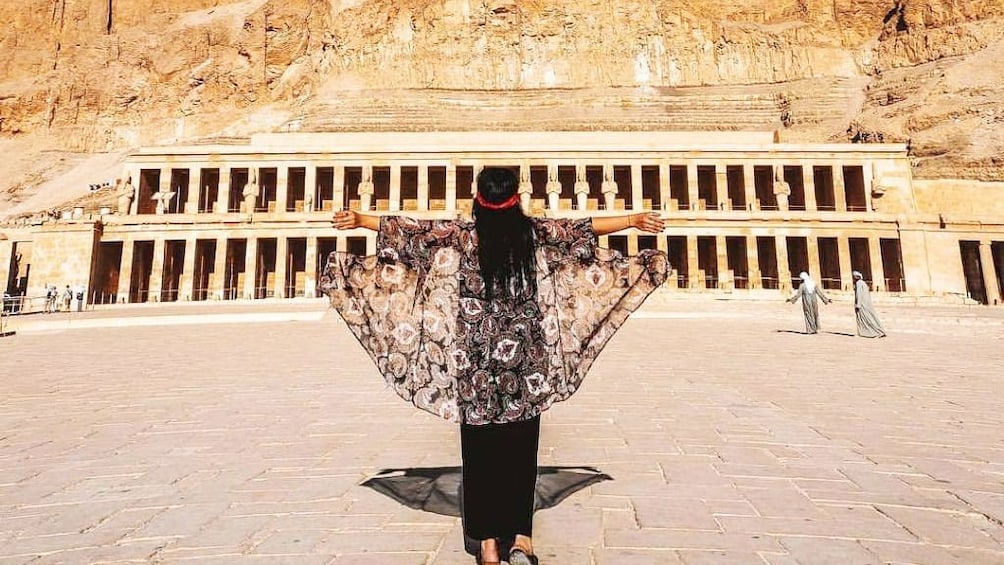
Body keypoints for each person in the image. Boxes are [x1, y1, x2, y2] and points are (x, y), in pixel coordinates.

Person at [322, 167, 668, 565]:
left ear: (477, 195)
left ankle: (487, 545)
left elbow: (408, 229)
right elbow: (583, 229)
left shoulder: (461, 236)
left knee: (480, 454)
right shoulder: (534, 233)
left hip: (475, 363)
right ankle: (522, 538)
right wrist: (634, 219)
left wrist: (361, 219)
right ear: (516, 197)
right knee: (521, 452)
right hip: (526, 362)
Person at [853, 271, 886, 338]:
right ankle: (879, 331)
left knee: (865, 319)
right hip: (867, 303)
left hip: (862, 304)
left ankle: (870, 333)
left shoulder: (858, 283)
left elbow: (859, 294)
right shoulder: (863, 283)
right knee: (871, 318)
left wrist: (858, 304)